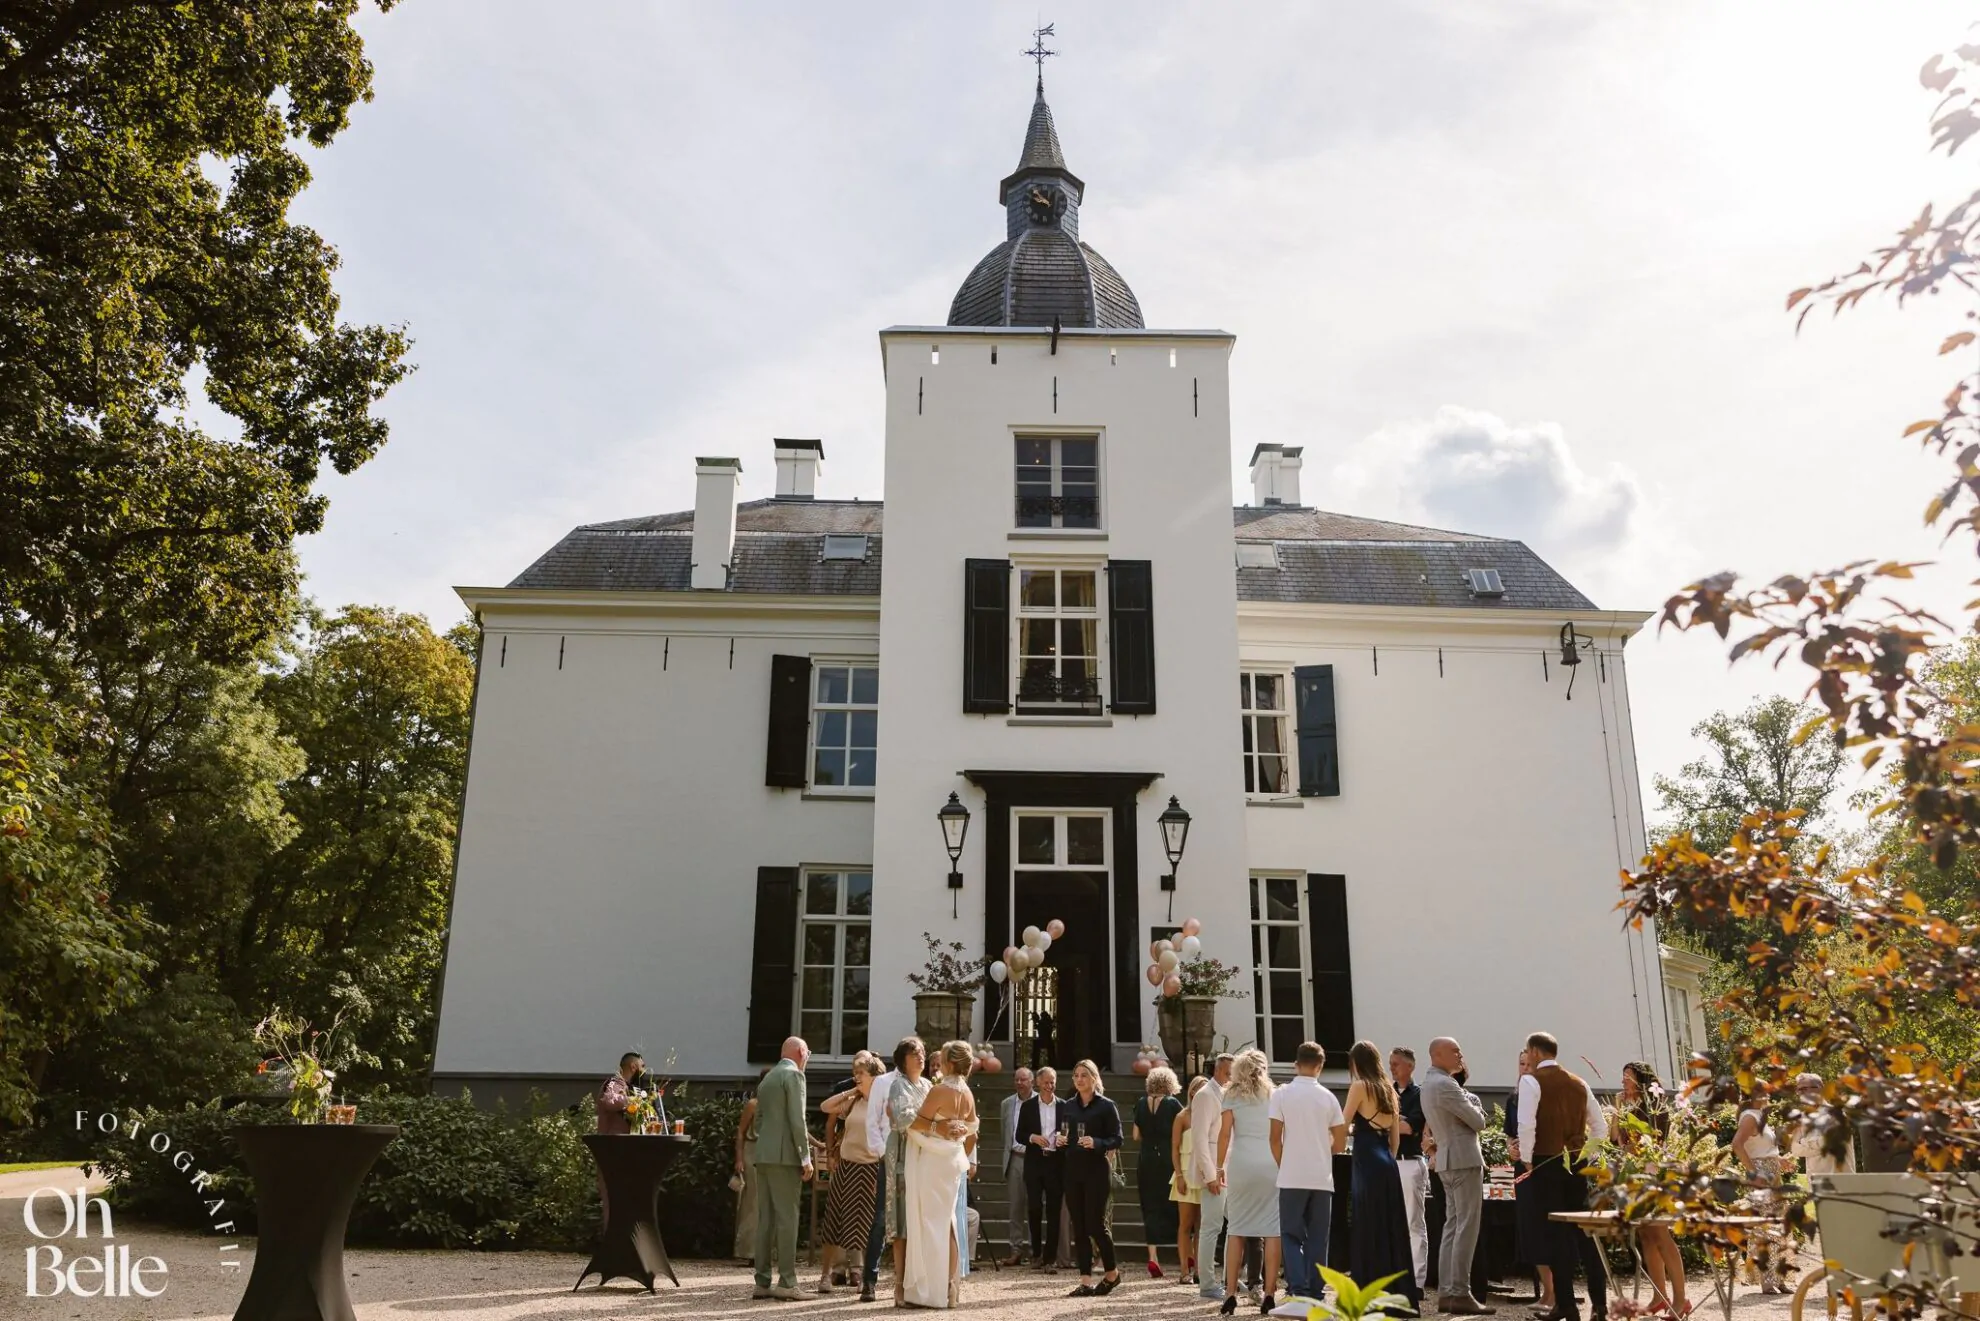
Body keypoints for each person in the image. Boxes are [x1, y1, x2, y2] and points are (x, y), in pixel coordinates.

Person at [1514, 1032, 1607, 1321]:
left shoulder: (1531, 1082)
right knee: (1585, 1233)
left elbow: (1526, 1125)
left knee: (1555, 1234)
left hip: (1546, 1162)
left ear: (1534, 1052)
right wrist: (1587, 1156)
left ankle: (1566, 1305)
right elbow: (1600, 1127)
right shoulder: (1580, 1083)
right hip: (1577, 1163)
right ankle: (1600, 1305)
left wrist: (1527, 1160)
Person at [1344, 1040, 1423, 1315]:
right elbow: (1394, 1139)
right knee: (1392, 1229)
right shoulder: (1389, 1089)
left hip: (1366, 1160)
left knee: (1368, 1228)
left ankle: (1368, 1299)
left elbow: (1342, 1123)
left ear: (1356, 1063)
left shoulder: (1359, 1086)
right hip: (1387, 1162)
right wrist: (1387, 1158)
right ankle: (1399, 1298)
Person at [900, 1040, 978, 1309]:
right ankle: (950, 1287)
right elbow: (973, 1130)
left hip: (934, 1160)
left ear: (950, 1063)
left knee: (930, 1223)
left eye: (942, 1058)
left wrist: (937, 1127)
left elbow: (916, 1122)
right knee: (948, 1222)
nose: (939, 1063)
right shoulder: (967, 1093)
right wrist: (959, 1138)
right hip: (952, 1161)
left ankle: (929, 1293)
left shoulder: (939, 1090)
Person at [1421, 1037, 1495, 1316]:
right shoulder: (1446, 1084)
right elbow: (1479, 1121)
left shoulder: (1429, 1083)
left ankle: (1448, 1293)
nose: (1460, 1055)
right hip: (1463, 1160)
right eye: (1454, 1051)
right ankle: (1460, 1292)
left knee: (1452, 1226)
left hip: (1447, 1160)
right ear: (1437, 1054)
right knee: (1466, 1227)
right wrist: (1473, 1106)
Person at [1270, 1041, 1348, 1303]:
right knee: (1318, 1237)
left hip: (1292, 1175)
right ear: (1320, 1065)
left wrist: (1284, 1163)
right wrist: (1323, 1151)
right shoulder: (1329, 1097)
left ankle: (1297, 1288)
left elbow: (1274, 1138)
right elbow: (1340, 1143)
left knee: (1291, 1235)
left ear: (1296, 1064)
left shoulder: (1281, 1094)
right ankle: (1315, 1291)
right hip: (1321, 1176)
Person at [1610, 1061, 1685, 1317]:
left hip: (1652, 1176)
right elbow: (1615, 1139)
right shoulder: (1627, 1106)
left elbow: (1655, 1142)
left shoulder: (1655, 1106)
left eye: (1628, 1076)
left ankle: (1681, 1299)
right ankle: (1659, 1296)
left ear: (1641, 1080)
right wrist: (1617, 1108)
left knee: (1661, 1235)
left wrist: (1631, 1149)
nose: (1623, 1081)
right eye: (1623, 1076)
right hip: (1633, 1177)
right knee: (1646, 1236)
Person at [1214, 1047, 1283, 1315]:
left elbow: (1224, 1135)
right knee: (1272, 1230)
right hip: (1269, 1163)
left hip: (1241, 1164)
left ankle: (1230, 1293)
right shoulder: (1274, 1095)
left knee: (1236, 1229)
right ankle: (1269, 1293)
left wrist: (1219, 1166)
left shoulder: (1230, 1095)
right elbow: (1280, 1133)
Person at [868, 1035, 932, 1307]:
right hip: (902, 1157)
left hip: (925, 1157)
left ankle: (919, 1285)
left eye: (923, 1053)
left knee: (920, 1221)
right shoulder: (897, 1085)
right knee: (901, 1220)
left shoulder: (928, 1085)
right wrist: (932, 1124)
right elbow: (905, 1119)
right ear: (903, 1060)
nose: (920, 1057)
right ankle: (899, 1286)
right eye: (914, 1053)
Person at [750, 1036, 814, 1302]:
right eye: (807, 1053)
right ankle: (787, 1281)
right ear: (801, 1052)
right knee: (788, 1219)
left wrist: (767, 1139)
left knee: (765, 1220)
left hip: (763, 1154)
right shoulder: (795, 1075)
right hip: (785, 1156)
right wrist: (805, 1157)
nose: (807, 1057)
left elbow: (758, 1120)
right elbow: (798, 1120)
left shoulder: (768, 1078)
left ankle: (762, 1281)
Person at [816, 1052, 884, 1296]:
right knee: (833, 1221)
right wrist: (852, 1091)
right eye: (855, 1072)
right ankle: (825, 1275)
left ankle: (865, 1276)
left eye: (861, 1073)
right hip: (846, 1166)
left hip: (869, 1168)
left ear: (874, 1076)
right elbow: (825, 1107)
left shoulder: (882, 1104)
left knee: (864, 1224)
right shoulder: (854, 1101)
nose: (856, 1076)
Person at [1059, 1058, 1125, 1297]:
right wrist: (1059, 1140)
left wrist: (1096, 1142)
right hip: (1073, 1170)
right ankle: (1085, 1281)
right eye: (1076, 1075)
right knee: (1078, 1226)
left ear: (1094, 1078)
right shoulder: (1068, 1106)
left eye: (1084, 1075)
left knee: (1095, 1225)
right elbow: (1064, 1133)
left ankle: (1112, 1273)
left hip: (1096, 1170)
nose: (1079, 1079)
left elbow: (1117, 1138)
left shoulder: (1107, 1106)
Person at [1506, 1052, 1554, 1314]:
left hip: (1542, 1166)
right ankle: (1548, 1290)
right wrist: (1511, 1150)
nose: (1524, 1068)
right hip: (1521, 1169)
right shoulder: (1513, 1098)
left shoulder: (1544, 1095)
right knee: (1530, 1229)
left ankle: (1556, 1292)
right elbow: (1509, 1133)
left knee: (1547, 1228)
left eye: (1528, 1064)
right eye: (1521, 1064)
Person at [1734, 1091, 1790, 1295]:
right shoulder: (1750, 1116)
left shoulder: (1760, 1116)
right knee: (1765, 1227)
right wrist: (1753, 1172)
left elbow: (1761, 1148)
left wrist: (1779, 1160)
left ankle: (1779, 1277)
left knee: (1779, 1225)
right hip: (1761, 1174)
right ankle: (1766, 1279)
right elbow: (1737, 1145)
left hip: (1772, 1173)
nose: (1768, 1094)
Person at [1015, 1064, 1067, 1270]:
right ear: (1037, 1082)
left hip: (1056, 1164)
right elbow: (1019, 1135)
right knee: (1034, 1209)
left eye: (1052, 1082)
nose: (1049, 1086)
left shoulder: (1064, 1106)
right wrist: (1033, 1138)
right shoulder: (1028, 1107)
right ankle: (1036, 1253)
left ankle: (1050, 1258)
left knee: (1054, 1212)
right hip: (1035, 1164)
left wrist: (1064, 1139)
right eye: (1045, 1082)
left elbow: (1070, 1132)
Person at [1134, 1065, 1185, 1278]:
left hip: (1146, 1159)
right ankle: (1185, 1255)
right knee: (1176, 1205)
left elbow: (1135, 1135)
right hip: (1168, 1158)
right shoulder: (1172, 1104)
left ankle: (1153, 1257)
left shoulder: (1140, 1103)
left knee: (1150, 1207)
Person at [1193, 1053, 1236, 1301]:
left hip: (1228, 1170)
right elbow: (1199, 1138)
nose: (1231, 1078)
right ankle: (1208, 1283)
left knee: (1236, 1224)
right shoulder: (1205, 1095)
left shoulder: (1226, 1094)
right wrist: (1210, 1175)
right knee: (1211, 1227)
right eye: (1229, 1073)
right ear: (1218, 1071)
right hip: (1214, 1172)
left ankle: (1229, 1279)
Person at [1392, 1047, 1431, 1291]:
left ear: (1410, 1066)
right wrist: (1399, 1121)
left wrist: (1389, 1121)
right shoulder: (1387, 1092)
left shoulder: (1420, 1094)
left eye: (1396, 1064)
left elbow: (1410, 1127)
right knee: (1391, 1222)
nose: (1392, 1068)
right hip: (1389, 1163)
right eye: (1390, 1063)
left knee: (1414, 1222)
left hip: (1410, 1161)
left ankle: (1416, 1279)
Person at [1172, 1075, 1209, 1285]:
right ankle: (1184, 1270)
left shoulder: (1212, 1116)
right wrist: (1179, 1175)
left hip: (1205, 1175)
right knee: (1185, 1224)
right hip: (1186, 1173)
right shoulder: (1182, 1116)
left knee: (1202, 1225)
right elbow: (1174, 1149)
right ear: (1192, 1092)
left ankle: (1200, 1270)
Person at [998, 1067, 1035, 1265]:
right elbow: (1004, 1133)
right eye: (1017, 1080)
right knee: (1015, 1207)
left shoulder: (1040, 1101)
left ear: (1032, 1082)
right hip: (1014, 1158)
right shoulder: (1006, 1104)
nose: (1019, 1083)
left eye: (1023, 1079)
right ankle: (1016, 1249)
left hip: (1035, 1158)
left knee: (1034, 1206)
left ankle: (1035, 1250)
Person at [732, 1066, 769, 1262]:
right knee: (752, 1202)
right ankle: (749, 1251)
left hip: (769, 1153)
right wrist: (739, 1159)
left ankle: (765, 1249)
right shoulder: (753, 1104)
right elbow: (740, 1131)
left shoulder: (778, 1105)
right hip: (752, 1151)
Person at [1788, 1072, 1855, 1176]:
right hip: (1814, 1180)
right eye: (1798, 1089)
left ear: (1820, 1089)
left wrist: (1803, 1142)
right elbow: (1795, 1149)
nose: (1800, 1093)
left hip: (1840, 1179)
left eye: (1804, 1089)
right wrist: (1818, 1147)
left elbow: (1829, 1143)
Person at [597, 1051, 641, 1136]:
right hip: (611, 1140)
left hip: (623, 1140)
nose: (644, 1071)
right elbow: (609, 1100)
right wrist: (631, 1100)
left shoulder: (628, 1086)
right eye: (642, 1066)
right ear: (633, 1067)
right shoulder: (614, 1082)